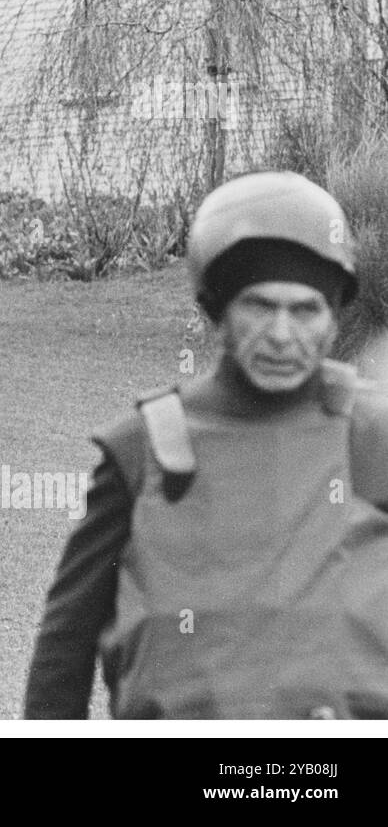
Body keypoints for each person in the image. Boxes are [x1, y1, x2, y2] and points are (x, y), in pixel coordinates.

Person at [23, 171, 388, 719]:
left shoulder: (374, 435)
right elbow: (65, 649)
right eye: (260, 305)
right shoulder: (145, 447)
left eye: (306, 309)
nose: (282, 335)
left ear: (336, 317)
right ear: (217, 307)